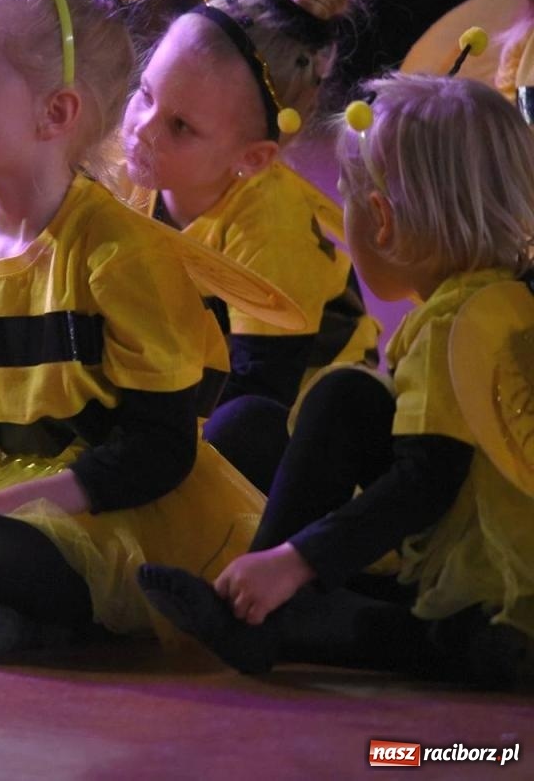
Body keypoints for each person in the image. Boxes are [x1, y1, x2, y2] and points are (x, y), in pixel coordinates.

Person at [0, 0, 262, 662]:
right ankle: (9, 624)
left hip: (114, 518)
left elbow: (157, 453)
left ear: (56, 112)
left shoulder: (121, 253)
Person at [140, 73, 534, 689]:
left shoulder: (454, 326)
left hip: (503, 602)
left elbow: (424, 484)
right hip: (476, 549)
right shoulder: (503, 297)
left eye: (347, 196)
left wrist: (294, 563)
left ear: (380, 220)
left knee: (435, 637)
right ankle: (268, 606)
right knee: (348, 395)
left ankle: (278, 610)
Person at [120, 0, 379, 490]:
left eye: (181, 126)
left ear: (254, 158)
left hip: (303, 455)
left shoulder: (274, 230)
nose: (142, 129)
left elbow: (259, 396)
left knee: (242, 428)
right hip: (194, 409)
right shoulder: (133, 176)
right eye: (145, 93)